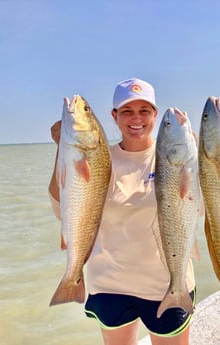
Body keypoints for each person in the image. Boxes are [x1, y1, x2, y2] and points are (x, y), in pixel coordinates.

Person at [48, 78, 195, 345]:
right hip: (109, 284)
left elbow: (201, 207)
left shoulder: (175, 155)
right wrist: (62, 149)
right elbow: (62, 208)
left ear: (155, 114)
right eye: (127, 111)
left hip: (166, 285)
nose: (136, 118)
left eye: (144, 111)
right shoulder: (99, 155)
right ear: (114, 116)